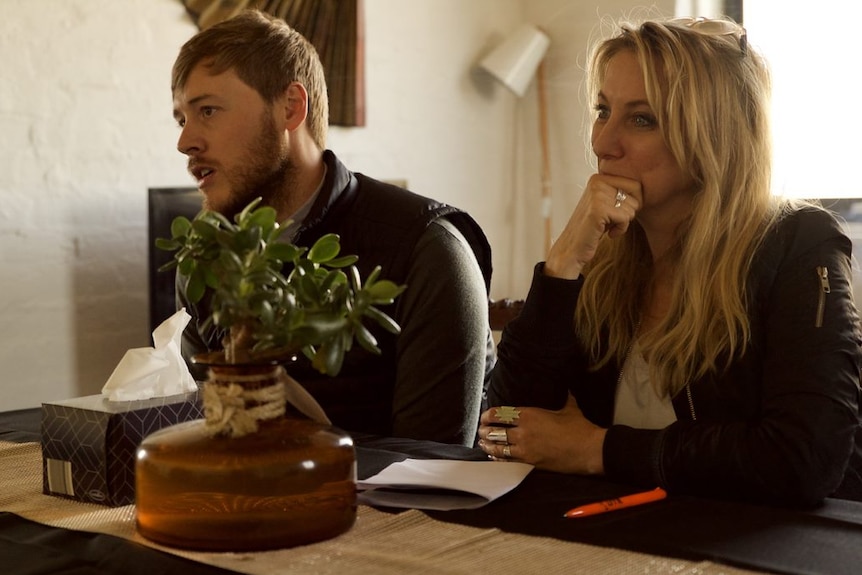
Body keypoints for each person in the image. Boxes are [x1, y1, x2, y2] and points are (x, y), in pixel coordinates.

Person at [478, 16, 862, 507]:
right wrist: (561, 263)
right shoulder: (601, 252)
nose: (601, 143)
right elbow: (506, 427)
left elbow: (804, 457)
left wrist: (596, 449)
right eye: (602, 110)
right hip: (613, 534)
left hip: (758, 544)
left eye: (642, 119)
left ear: (714, 137)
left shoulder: (797, 243)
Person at [171, 9, 494, 446]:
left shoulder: (429, 250)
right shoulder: (204, 259)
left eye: (207, 110)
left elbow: (433, 470)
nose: (185, 141)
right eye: (181, 119)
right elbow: (205, 427)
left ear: (291, 107)